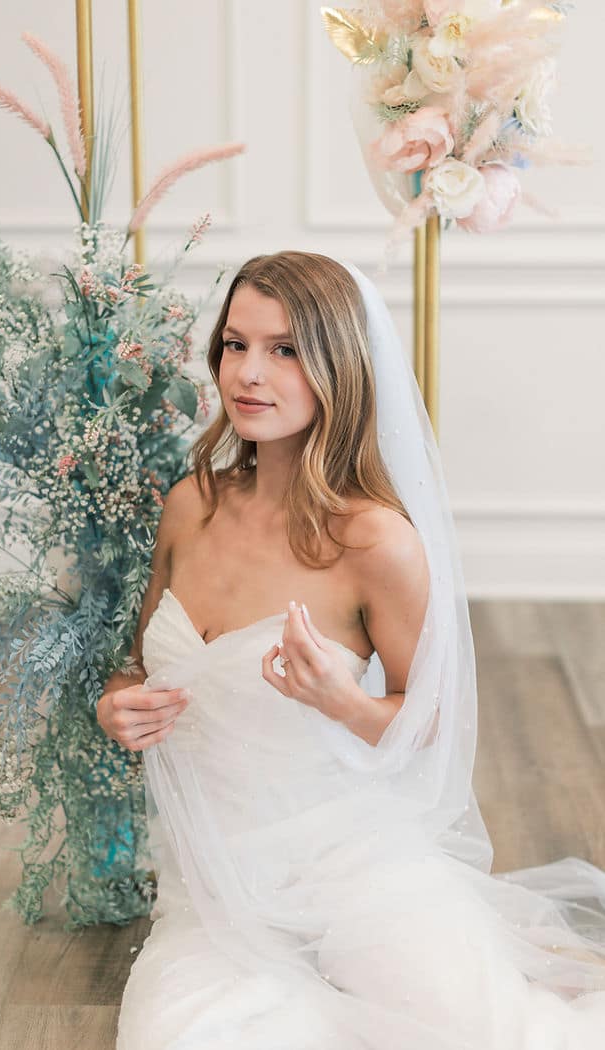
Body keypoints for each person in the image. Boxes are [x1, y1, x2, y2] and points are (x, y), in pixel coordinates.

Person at [98, 251, 605, 1049]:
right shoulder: (191, 505)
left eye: (285, 348)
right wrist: (116, 705)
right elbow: (139, 661)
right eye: (235, 344)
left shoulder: (376, 541)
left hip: (348, 859)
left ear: (338, 365)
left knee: (474, 1029)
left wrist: (343, 702)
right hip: (214, 883)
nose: (249, 373)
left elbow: (429, 719)